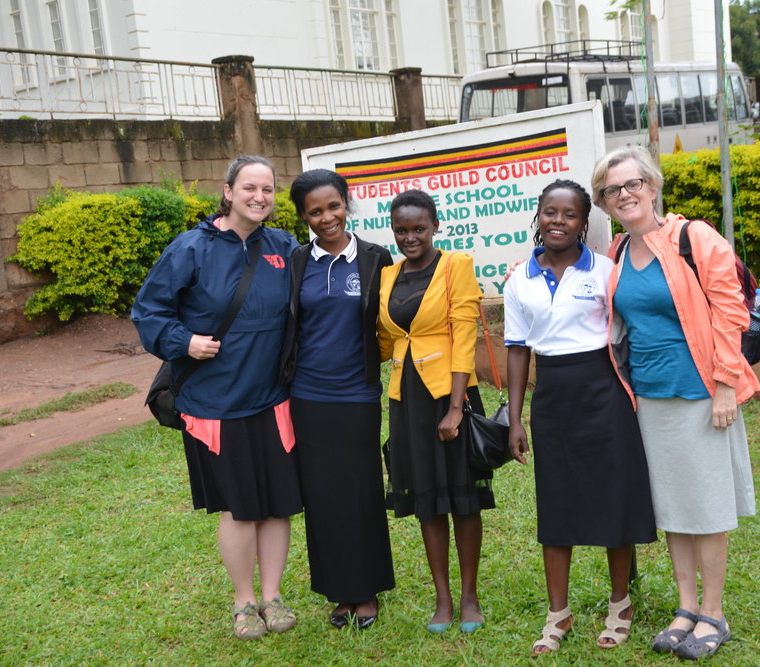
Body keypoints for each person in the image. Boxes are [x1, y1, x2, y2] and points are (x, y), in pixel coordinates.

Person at [592, 146, 759, 661]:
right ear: (604, 202)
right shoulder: (617, 252)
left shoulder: (694, 237)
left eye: (633, 183)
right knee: (674, 507)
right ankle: (685, 607)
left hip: (701, 392)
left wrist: (727, 384)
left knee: (707, 506)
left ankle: (713, 613)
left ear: (653, 184)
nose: (625, 195)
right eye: (612, 190)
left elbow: (732, 309)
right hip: (648, 397)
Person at [132, 155, 302, 641]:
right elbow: (149, 311)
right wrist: (184, 342)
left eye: (268, 189)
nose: (260, 197)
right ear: (227, 192)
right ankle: (244, 602)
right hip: (215, 402)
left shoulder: (284, 247)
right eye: (250, 187)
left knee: (277, 504)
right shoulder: (190, 248)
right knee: (238, 505)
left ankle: (273, 596)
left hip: (274, 399)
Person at [503, 179, 657, 655]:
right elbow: (516, 349)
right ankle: (558, 615)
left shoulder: (607, 271)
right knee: (557, 504)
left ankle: (620, 605)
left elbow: (632, 328)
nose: (558, 221)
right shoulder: (519, 279)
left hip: (603, 392)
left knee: (613, 498)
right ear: (538, 216)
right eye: (550, 212)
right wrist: (515, 417)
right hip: (552, 399)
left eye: (569, 215)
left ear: (584, 223)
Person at [280, 168, 395, 630]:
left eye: (333, 206)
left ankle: (365, 591)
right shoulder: (295, 262)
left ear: (346, 203)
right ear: (303, 217)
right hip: (307, 396)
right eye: (315, 211)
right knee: (322, 495)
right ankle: (337, 591)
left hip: (358, 394)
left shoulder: (374, 258)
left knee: (361, 490)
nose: (326, 218)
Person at [377, 189, 492, 634]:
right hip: (405, 399)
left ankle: (469, 597)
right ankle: (442, 598)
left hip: (450, 394)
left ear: (435, 226)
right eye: (402, 230)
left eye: (419, 228)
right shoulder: (388, 276)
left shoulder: (455, 267)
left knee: (462, 497)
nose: (410, 237)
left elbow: (465, 336)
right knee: (426, 499)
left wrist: (456, 408)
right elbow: (386, 340)